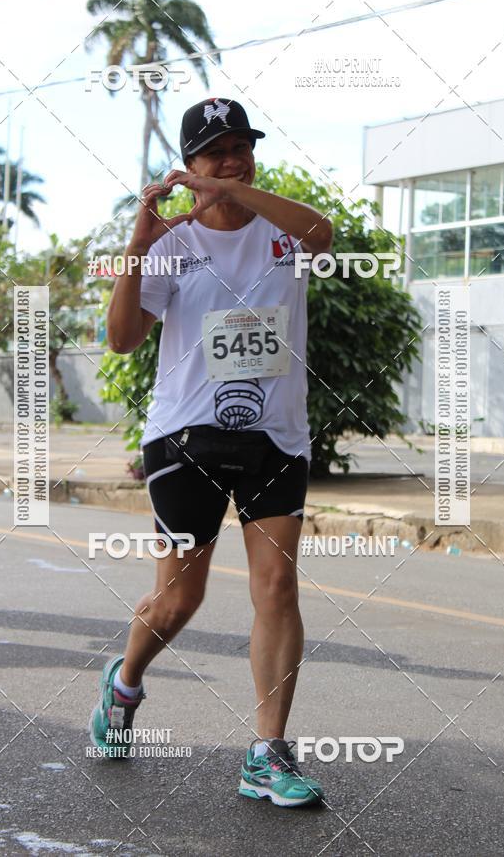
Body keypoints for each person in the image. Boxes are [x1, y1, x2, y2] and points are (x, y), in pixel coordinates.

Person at [89, 97, 333, 807]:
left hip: (276, 437)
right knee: (177, 600)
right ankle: (124, 683)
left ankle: (266, 753)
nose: (232, 160)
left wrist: (237, 193)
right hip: (185, 435)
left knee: (276, 589)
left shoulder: (283, 230)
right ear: (188, 167)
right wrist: (140, 238)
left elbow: (323, 234)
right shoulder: (171, 243)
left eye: (241, 148)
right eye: (216, 153)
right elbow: (124, 337)